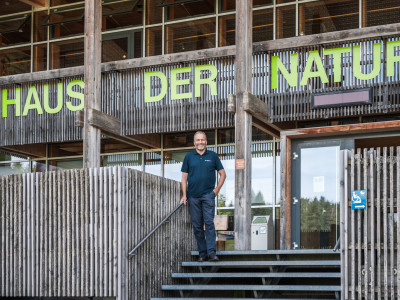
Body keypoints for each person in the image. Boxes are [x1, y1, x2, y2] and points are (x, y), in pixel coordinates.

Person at [180, 131, 226, 262]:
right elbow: (184, 177)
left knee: (209, 224)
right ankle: (202, 253)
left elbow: (223, 174)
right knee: (197, 226)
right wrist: (184, 195)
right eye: (198, 140)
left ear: (206, 141)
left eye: (202, 140)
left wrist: (216, 191)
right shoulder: (189, 156)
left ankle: (211, 253)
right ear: (194, 142)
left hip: (208, 196)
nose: (200, 142)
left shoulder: (213, 156)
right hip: (193, 196)